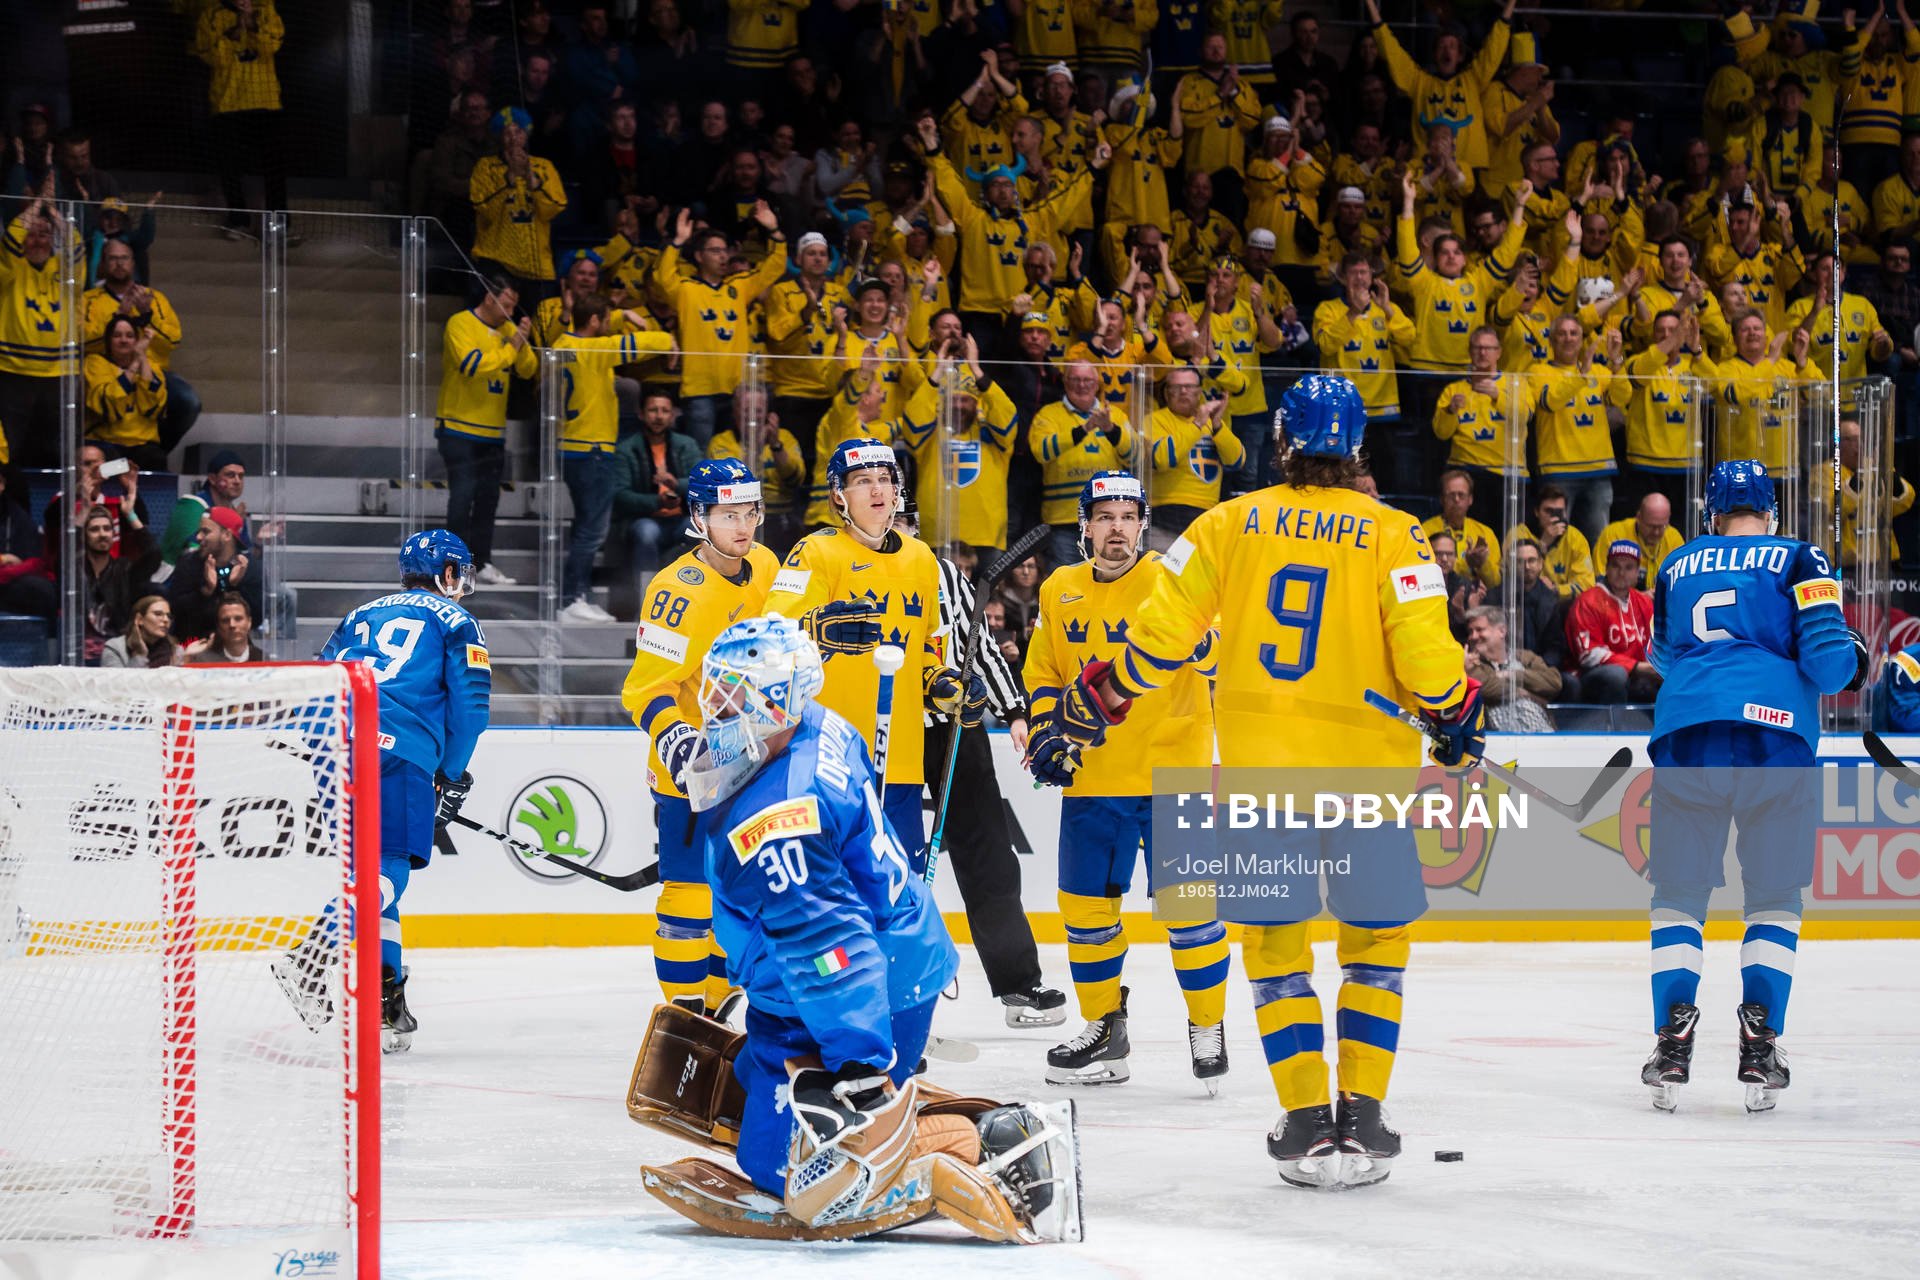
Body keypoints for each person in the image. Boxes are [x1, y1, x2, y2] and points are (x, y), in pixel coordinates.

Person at [1033, 374, 1484, 1189]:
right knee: (1375, 948)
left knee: (1277, 954)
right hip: (1368, 781)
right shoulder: (1398, 534)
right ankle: (1364, 1113)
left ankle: (1306, 1120)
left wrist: (1100, 698)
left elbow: (1160, 636)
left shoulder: (1224, 524)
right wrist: (1454, 716)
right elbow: (1428, 660)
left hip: (1261, 782)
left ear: (1281, 442)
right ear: (1357, 449)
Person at [655, 614, 1076, 1244]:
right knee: (755, 1109)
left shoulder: (781, 824)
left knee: (788, 1170)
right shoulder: (819, 726)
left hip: (867, 990)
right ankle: (891, 1104)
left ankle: (992, 1143)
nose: (714, 710)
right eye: (715, 691)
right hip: (841, 975)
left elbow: (830, 947)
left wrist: (856, 1068)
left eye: (732, 696)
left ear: (777, 702)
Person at [1640, 460, 1864, 1115]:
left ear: (1711, 513)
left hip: (1688, 732)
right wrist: (1852, 653)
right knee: (1772, 897)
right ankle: (1760, 1044)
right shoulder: (1801, 557)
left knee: (1678, 896)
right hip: (1775, 738)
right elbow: (1828, 666)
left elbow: (1664, 655)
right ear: (1771, 509)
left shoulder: (1676, 564)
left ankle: (1671, 1042)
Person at [1023, 470, 1229, 1088]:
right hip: (1095, 780)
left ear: (1142, 524)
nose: (1118, 528)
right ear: (1085, 527)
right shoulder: (1058, 588)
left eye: (1128, 517)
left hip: (1174, 776)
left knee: (1191, 913)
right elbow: (1044, 675)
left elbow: (1222, 655)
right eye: (1105, 517)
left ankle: (1208, 1027)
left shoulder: (1174, 579)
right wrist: (1044, 733)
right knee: (1087, 916)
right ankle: (1104, 1032)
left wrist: (1195, 640)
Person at [288, 531, 492, 1053]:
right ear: (448, 572)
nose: (462, 582)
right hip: (397, 746)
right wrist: (452, 773)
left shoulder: (360, 613)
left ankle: (383, 1005)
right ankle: (312, 956)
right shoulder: (457, 620)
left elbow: (318, 679)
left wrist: (323, 741)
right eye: (460, 571)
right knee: (391, 868)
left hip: (333, 744)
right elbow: (471, 710)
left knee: (374, 878)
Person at [767, 438, 978, 874]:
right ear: (838, 496)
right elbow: (769, 642)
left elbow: (924, 650)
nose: (878, 489)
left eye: (885, 478)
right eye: (863, 481)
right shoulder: (814, 552)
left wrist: (942, 685)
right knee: (830, 893)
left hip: (900, 762)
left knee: (896, 895)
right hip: (826, 762)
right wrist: (814, 629)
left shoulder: (922, 559)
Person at [618, 459, 781, 1014]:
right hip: (696, 766)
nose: (743, 526)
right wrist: (679, 742)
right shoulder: (676, 591)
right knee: (690, 898)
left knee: (744, 898)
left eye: (750, 513)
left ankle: (712, 1007)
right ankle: (683, 1018)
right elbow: (645, 688)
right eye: (728, 515)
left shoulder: (765, 564)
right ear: (699, 518)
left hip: (755, 760)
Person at [904, 502, 1063, 1027]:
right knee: (887, 862)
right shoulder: (849, 570)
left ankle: (1018, 983)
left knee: (991, 856)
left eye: (905, 522)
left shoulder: (946, 575)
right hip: (888, 730)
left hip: (956, 727)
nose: (895, 529)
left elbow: (981, 648)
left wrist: (1014, 710)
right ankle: (890, 986)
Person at [553, 293, 676, 623]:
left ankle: (578, 595)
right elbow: (638, 344)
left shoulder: (564, 344)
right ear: (594, 321)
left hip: (574, 446)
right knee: (592, 531)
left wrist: (622, 314)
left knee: (586, 526)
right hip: (591, 448)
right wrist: (669, 340)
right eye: (606, 320)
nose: (610, 325)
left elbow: (603, 328)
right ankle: (571, 599)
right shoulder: (592, 350)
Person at [436, 278, 534, 587]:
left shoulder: (508, 331)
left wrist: (522, 340)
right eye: (506, 305)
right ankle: (453, 567)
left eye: (513, 306)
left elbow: (528, 369)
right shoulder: (460, 323)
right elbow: (471, 364)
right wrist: (511, 347)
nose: (510, 312)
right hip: (459, 428)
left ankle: (481, 562)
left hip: (493, 431)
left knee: (488, 499)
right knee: (462, 496)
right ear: (490, 298)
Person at [193, 0, 289, 243]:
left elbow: (271, 46)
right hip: (227, 103)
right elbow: (213, 58)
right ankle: (238, 220)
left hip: (265, 101)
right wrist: (236, 30)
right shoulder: (211, 15)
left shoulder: (266, 9)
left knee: (275, 169)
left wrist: (252, 23)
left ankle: (277, 226)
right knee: (230, 168)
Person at [1028, 360, 1134, 570]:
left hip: (1108, 518)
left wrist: (1111, 430)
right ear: (1065, 383)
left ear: (1097, 384)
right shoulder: (1048, 414)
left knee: (1109, 579)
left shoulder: (1115, 415)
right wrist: (1083, 430)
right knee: (1065, 581)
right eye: (1075, 379)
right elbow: (1042, 451)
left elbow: (1135, 456)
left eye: (1087, 380)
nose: (1082, 385)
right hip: (1064, 520)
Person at [469, 108, 567, 300]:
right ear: (499, 137)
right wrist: (510, 178)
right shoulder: (485, 167)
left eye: (519, 131)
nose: (513, 137)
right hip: (496, 259)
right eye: (507, 132)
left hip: (536, 264)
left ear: (527, 134)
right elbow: (485, 209)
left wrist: (533, 181)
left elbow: (554, 208)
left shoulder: (544, 167)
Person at [614, 389, 701, 596]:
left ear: (673, 415)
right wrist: (657, 501)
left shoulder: (687, 445)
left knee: (698, 529)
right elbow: (620, 496)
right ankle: (648, 598)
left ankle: (692, 594)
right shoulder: (626, 449)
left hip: (681, 518)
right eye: (653, 410)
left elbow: (702, 484)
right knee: (647, 532)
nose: (659, 416)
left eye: (664, 411)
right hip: (644, 519)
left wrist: (677, 484)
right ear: (641, 414)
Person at [1565, 541, 1660, 704]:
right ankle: (1612, 723)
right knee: (1616, 675)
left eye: (1629, 567)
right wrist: (1636, 667)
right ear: (1607, 568)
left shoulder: (1644, 602)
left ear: (1637, 572)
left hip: (1639, 674)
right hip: (1591, 674)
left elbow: (1656, 642)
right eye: (1616, 566)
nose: (1621, 573)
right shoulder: (1588, 601)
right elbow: (1589, 655)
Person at [168, 506, 261, 644]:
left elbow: (257, 618)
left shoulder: (248, 567)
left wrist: (236, 586)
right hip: (193, 643)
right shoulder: (189, 563)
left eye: (205, 531)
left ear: (227, 535)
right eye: (199, 531)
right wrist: (204, 592)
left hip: (232, 646)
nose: (198, 537)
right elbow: (174, 610)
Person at [1463, 604, 1558, 732]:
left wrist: (1511, 674)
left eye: (1479, 630)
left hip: (1544, 733)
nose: (1473, 636)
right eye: (1470, 631)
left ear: (1502, 631)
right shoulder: (1471, 665)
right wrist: (1525, 693)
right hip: (1501, 738)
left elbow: (1553, 682)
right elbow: (1485, 689)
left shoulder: (1525, 657)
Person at [1594, 492, 1683, 590]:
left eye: (1662, 526)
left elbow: (1682, 584)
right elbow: (1600, 583)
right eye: (1651, 526)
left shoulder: (1674, 539)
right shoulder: (1614, 535)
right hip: (1622, 597)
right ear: (1638, 518)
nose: (1656, 532)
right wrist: (1638, 597)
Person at [100, 594, 199, 668]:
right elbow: (118, 686)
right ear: (139, 619)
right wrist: (139, 655)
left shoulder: (176, 650)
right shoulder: (115, 648)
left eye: (169, 616)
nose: (166, 620)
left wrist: (186, 660)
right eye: (158, 614)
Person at [187, 591, 264, 663]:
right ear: (218, 626)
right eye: (225, 620)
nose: (232, 625)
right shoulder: (203, 661)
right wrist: (187, 657)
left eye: (238, 619)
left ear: (249, 622)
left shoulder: (264, 659)